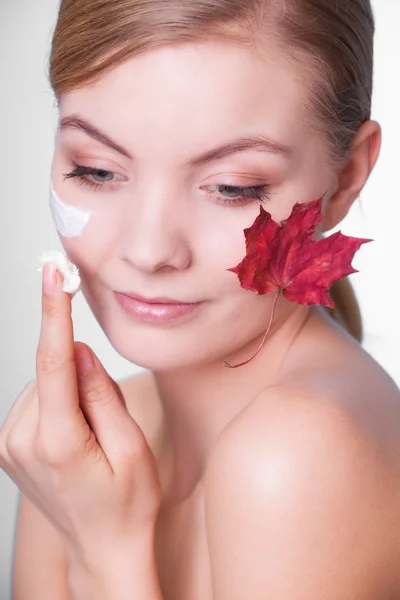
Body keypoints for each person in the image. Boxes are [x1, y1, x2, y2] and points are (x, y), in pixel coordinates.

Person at [7, 0, 400, 598]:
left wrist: (105, 553)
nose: (148, 249)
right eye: (97, 170)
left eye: (230, 188)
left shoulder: (295, 456)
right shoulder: (85, 449)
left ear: (345, 177)